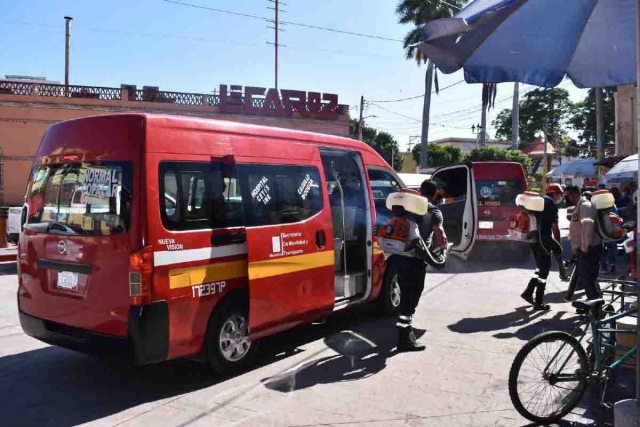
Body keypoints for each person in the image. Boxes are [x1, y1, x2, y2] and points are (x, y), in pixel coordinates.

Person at [395, 180, 448, 351]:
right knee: (412, 296)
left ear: (420, 191)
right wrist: (443, 251)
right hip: (417, 259)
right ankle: (405, 338)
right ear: (435, 194)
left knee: (405, 293)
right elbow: (439, 232)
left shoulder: (406, 206)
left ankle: (404, 329)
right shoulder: (433, 210)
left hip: (400, 255)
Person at [521, 183, 563, 310]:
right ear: (555, 193)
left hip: (533, 238)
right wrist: (558, 245)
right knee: (544, 270)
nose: (560, 197)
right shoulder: (550, 204)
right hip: (544, 239)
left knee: (540, 267)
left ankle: (528, 292)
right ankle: (538, 302)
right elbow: (555, 227)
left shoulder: (539, 201)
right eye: (559, 195)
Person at [564, 185, 602, 300]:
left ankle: (597, 310)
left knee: (587, 280)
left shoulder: (585, 206)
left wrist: (584, 247)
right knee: (587, 279)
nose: (565, 198)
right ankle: (593, 307)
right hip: (584, 250)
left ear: (575, 194)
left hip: (589, 249)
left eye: (567, 195)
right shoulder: (579, 206)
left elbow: (587, 226)